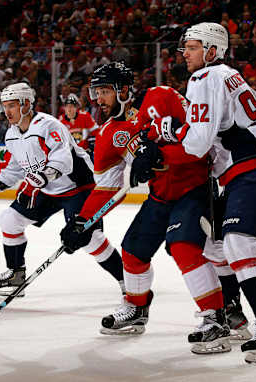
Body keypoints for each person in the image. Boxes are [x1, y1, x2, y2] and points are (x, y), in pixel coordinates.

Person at [60, 62, 243, 354]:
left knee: (184, 247)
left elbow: (201, 139)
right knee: (132, 251)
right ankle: (136, 308)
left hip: (195, 189)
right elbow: (108, 186)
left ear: (123, 90)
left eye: (104, 91)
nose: (98, 100)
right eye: (95, 93)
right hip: (160, 195)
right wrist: (84, 220)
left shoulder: (161, 97)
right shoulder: (108, 134)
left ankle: (215, 319)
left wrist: (160, 152)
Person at [145, 22, 256, 363]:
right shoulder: (228, 75)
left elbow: (198, 143)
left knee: (238, 243)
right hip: (255, 165)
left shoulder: (204, 78)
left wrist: (163, 145)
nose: (185, 52)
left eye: (194, 47)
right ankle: (234, 315)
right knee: (215, 245)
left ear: (212, 50)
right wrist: (180, 131)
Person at [0, 83, 125, 297]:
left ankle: (127, 281)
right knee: (9, 219)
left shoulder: (49, 126)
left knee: (90, 238)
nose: (7, 112)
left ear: (26, 104)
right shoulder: (12, 135)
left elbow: (63, 161)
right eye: (5, 106)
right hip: (48, 189)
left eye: (12, 105)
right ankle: (15, 274)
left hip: (79, 188)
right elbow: (12, 168)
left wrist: (39, 178)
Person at [58, 93, 99, 160]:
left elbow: (96, 132)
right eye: (67, 106)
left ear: (76, 107)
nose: (69, 109)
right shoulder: (61, 120)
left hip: (84, 153)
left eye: (72, 106)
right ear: (64, 108)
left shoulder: (85, 116)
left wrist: (91, 146)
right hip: (69, 155)